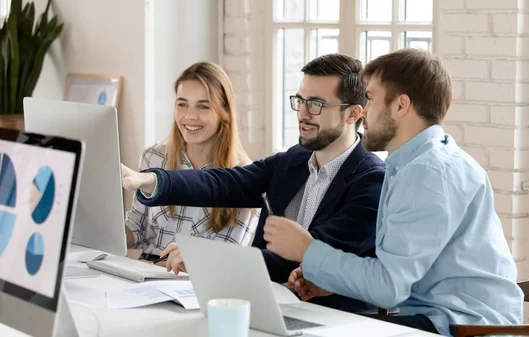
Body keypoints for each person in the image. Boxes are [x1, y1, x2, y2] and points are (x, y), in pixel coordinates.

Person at [262, 48, 524, 336]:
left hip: (462, 326)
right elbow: (394, 273)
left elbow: (389, 288)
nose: (364, 112)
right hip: (437, 317)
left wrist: (307, 249)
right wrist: (328, 280)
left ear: (401, 106)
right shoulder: (413, 162)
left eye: (371, 99)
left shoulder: (427, 173)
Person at [121, 53, 385, 313]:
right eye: (300, 101)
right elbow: (226, 183)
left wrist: (206, 259)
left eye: (315, 104)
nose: (302, 114)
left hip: (331, 320)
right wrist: (148, 179)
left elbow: (308, 254)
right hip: (264, 307)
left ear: (353, 114)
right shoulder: (294, 159)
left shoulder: (371, 180)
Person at [123, 61, 260, 262]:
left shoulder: (245, 176)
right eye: (182, 104)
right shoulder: (154, 157)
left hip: (196, 284)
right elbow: (137, 229)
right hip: (146, 275)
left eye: (203, 106)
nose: (189, 116)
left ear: (224, 111)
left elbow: (226, 258)